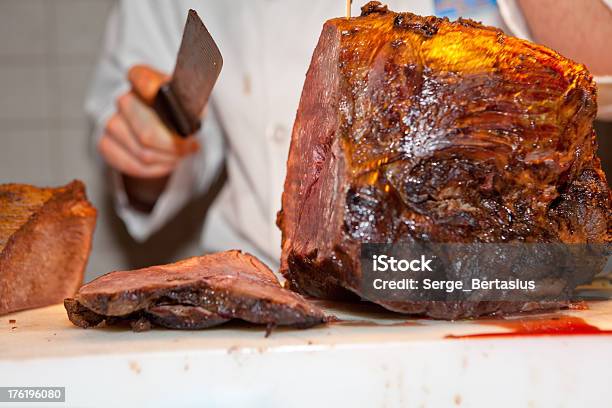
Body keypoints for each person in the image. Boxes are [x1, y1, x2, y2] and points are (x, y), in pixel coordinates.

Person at [86, 0, 612, 267]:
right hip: (262, 293)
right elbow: (158, 124)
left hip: (470, 284)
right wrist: (149, 147)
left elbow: (599, 71)